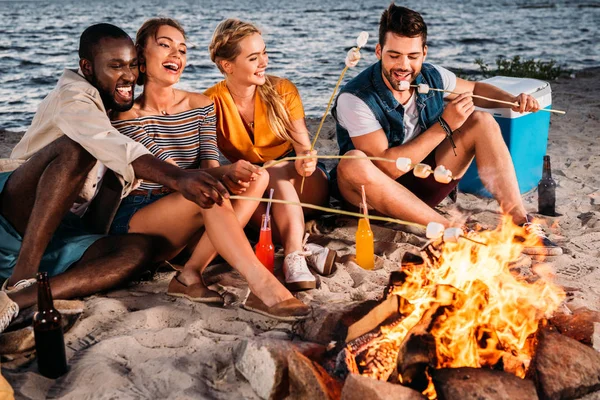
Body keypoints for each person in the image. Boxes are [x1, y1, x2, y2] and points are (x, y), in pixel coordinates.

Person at [110, 18, 309, 321]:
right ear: (140, 54)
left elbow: (210, 165)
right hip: (143, 213)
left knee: (259, 176)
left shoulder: (202, 103)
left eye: (182, 49)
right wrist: (225, 174)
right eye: (165, 45)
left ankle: (190, 273)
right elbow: (173, 174)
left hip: (196, 206)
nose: (176, 55)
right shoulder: (126, 116)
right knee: (207, 189)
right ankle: (263, 287)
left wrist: (233, 173)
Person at [332, 4, 561, 256]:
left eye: (412, 56)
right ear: (379, 51)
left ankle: (519, 222)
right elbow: (385, 168)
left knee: (481, 121)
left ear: (424, 53)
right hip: (375, 200)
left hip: (426, 186)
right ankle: (451, 230)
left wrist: (513, 100)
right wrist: (445, 125)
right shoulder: (356, 97)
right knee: (353, 162)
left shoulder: (431, 76)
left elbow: (475, 90)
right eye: (394, 55)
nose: (403, 66)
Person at [205, 19, 337, 292]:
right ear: (227, 65)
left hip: (303, 183)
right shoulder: (210, 103)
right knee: (245, 191)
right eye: (254, 57)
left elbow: (303, 147)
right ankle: (303, 246)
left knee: (272, 172)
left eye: (264, 52)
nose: (264, 61)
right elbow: (210, 162)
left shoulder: (282, 90)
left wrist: (305, 158)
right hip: (261, 192)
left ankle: (292, 256)